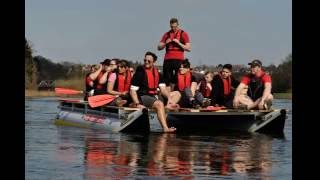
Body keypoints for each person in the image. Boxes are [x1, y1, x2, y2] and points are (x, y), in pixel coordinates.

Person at [130, 51, 178, 133]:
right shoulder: (139, 73)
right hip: (143, 97)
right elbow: (132, 91)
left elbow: (163, 90)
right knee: (159, 104)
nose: (146, 62)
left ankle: (165, 110)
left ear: (154, 62)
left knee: (176, 94)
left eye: (149, 61)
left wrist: (169, 98)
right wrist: (137, 103)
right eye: (145, 60)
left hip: (154, 96)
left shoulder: (158, 74)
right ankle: (165, 128)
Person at [157, 18, 191, 92]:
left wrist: (178, 43)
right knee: (167, 79)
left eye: (175, 27)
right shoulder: (167, 34)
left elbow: (188, 48)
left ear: (178, 25)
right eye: (172, 27)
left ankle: (176, 93)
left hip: (179, 59)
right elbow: (159, 47)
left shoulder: (183, 34)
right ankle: (168, 96)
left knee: (177, 78)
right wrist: (166, 43)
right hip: (168, 59)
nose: (174, 28)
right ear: (170, 26)